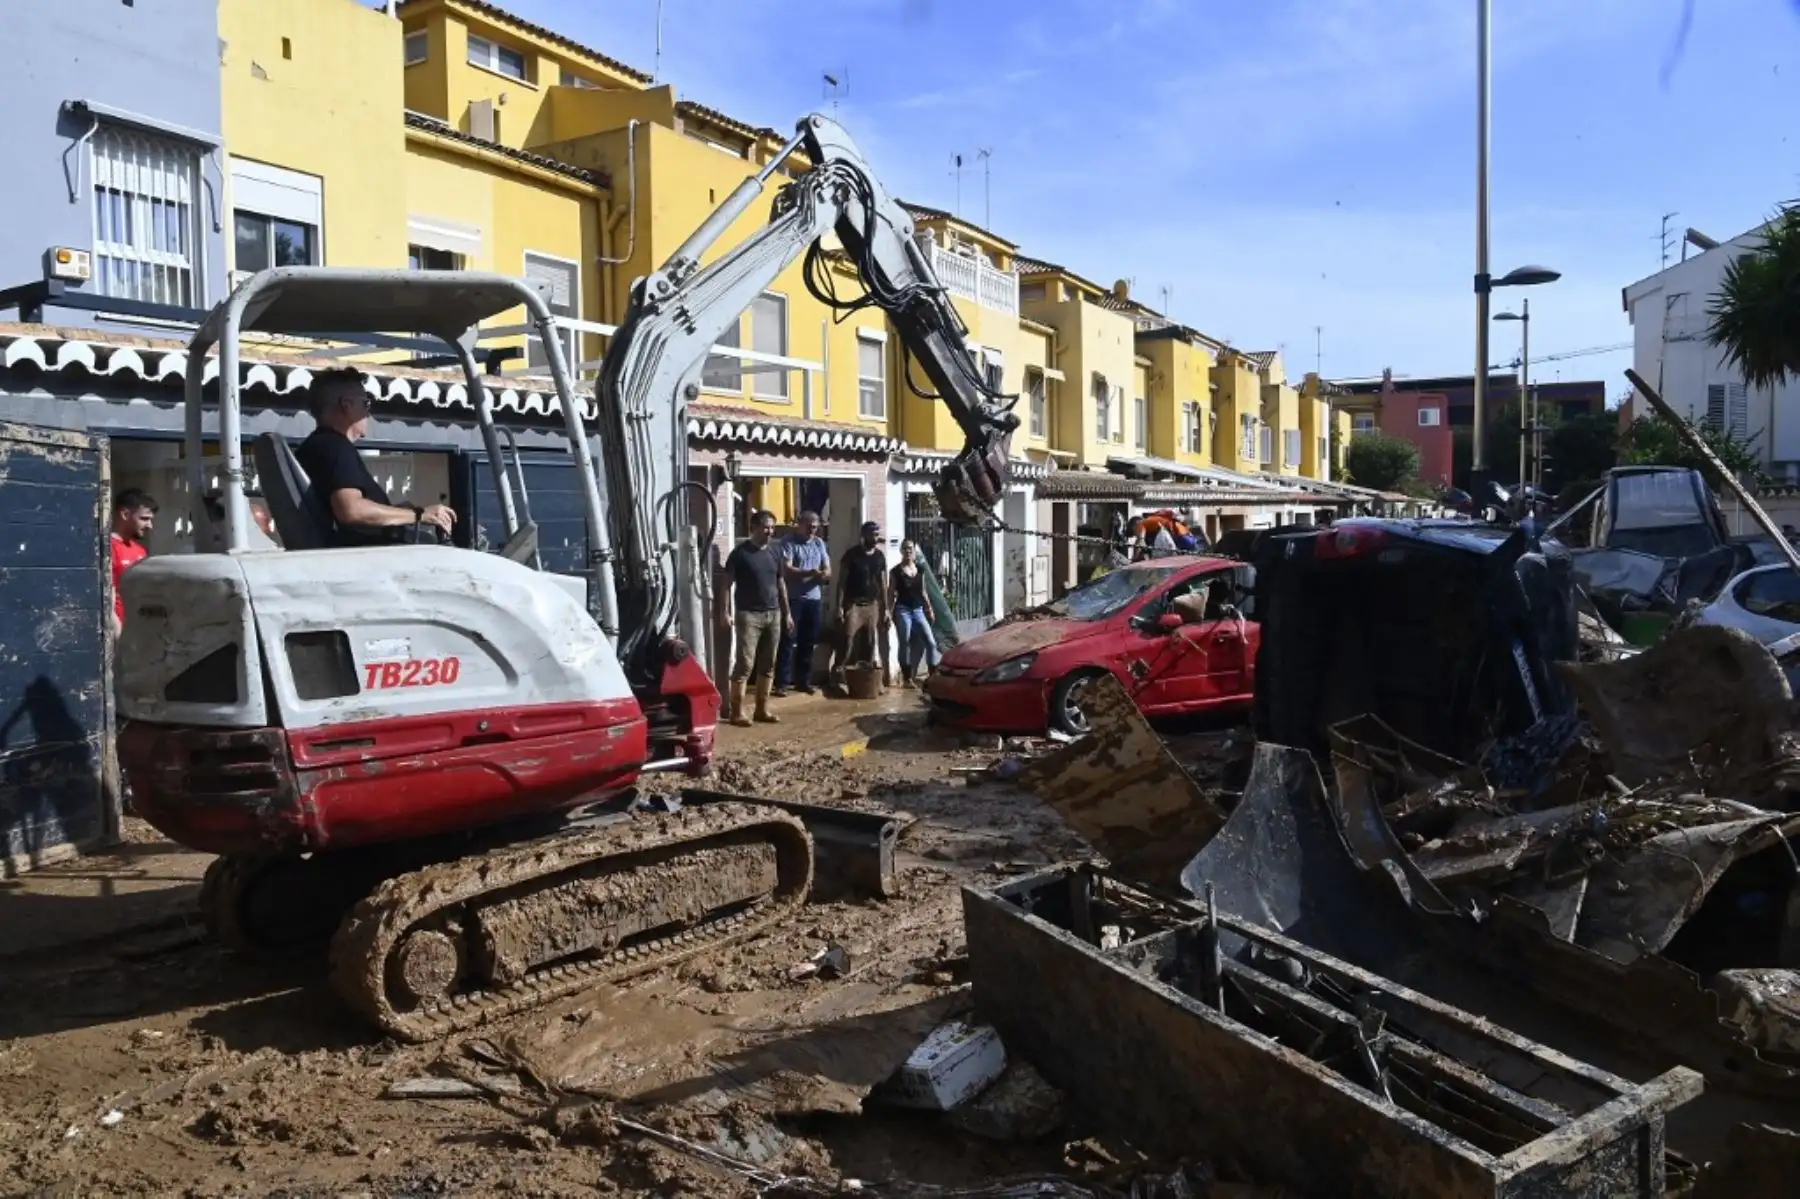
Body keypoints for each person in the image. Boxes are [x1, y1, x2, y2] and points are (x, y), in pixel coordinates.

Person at [296, 368, 455, 547]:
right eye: (365, 404)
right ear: (346, 405)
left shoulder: (316, 447)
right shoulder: (335, 448)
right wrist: (420, 515)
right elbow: (352, 510)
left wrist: (399, 512)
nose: (368, 413)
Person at [721, 508, 792, 726]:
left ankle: (762, 709)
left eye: (772, 527)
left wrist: (787, 613)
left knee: (768, 663)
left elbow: (781, 584)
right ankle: (736, 711)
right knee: (745, 663)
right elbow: (726, 585)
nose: (770, 532)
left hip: (773, 613)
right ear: (753, 528)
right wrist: (725, 612)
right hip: (748, 615)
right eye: (766, 527)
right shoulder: (740, 554)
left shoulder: (775, 552)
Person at [774, 510, 830, 697]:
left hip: (814, 599)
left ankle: (803, 681)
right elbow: (786, 570)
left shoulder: (819, 543)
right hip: (794, 599)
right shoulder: (788, 543)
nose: (812, 531)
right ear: (800, 524)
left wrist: (824, 574)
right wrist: (810, 573)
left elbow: (827, 568)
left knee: (808, 642)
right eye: (809, 526)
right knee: (788, 640)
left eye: (815, 527)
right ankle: (781, 682)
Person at [831, 521, 890, 690]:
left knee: (870, 642)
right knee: (847, 640)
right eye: (874, 534)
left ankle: (865, 681)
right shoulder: (851, 555)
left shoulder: (879, 556)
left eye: (878, 534)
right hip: (853, 605)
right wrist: (839, 606)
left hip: (872, 605)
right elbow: (841, 583)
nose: (876, 538)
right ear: (864, 535)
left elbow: (883, 583)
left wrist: (886, 609)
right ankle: (837, 677)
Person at [890, 539, 940, 687]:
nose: (908, 551)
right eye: (905, 548)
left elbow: (923, 591)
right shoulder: (895, 572)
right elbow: (890, 592)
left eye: (910, 548)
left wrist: (929, 609)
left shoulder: (920, 569)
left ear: (914, 551)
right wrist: (888, 611)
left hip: (918, 610)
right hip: (902, 610)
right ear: (901, 551)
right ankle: (907, 678)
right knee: (904, 643)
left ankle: (932, 675)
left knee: (930, 643)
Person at [109, 489, 157, 636]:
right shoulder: (108, 548)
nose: (150, 526)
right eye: (144, 519)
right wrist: (119, 634)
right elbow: (106, 598)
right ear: (125, 515)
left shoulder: (140, 551)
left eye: (150, 519)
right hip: (119, 634)